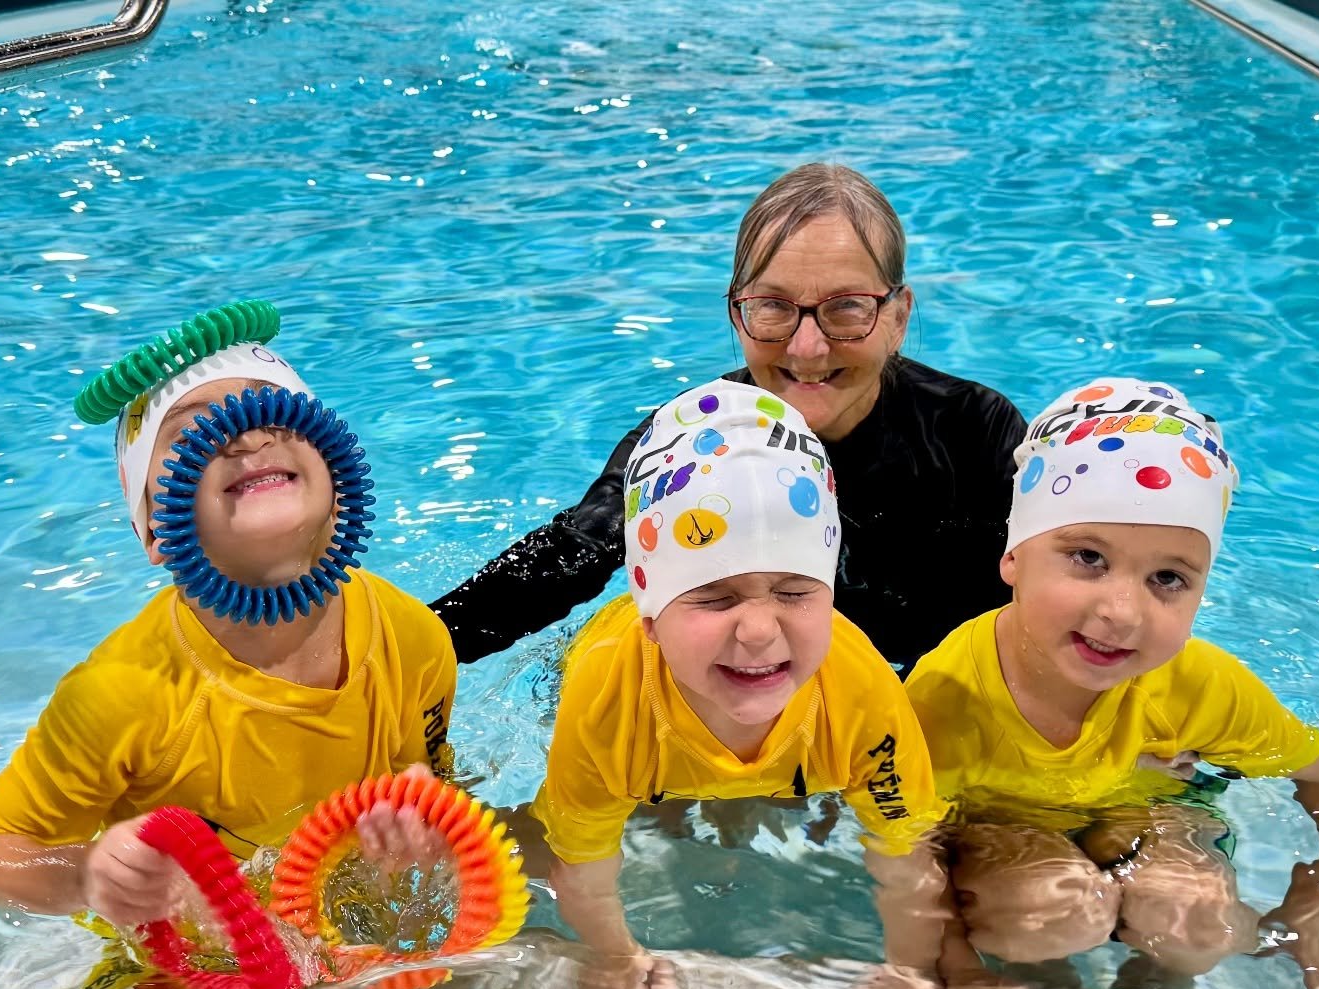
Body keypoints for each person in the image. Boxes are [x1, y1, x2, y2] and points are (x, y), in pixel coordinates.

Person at [0, 304, 457, 989]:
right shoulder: (123, 694)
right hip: (181, 973)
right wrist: (87, 872)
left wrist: (430, 826)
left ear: (341, 477)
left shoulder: (414, 638)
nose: (246, 436)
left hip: (339, 948)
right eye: (191, 434)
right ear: (153, 529)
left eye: (275, 415)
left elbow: (443, 780)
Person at [905, 377, 1319, 989]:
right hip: (1003, 825)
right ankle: (1051, 974)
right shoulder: (947, 693)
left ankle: (1163, 988)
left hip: (1154, 809)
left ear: (1202, 592)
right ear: (1012, 554)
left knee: (1200, 927)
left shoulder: (1200, 685)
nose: (1120, 612)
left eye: (1168, 578)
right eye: (1087, 558)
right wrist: (962, 974)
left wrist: (1317, 903)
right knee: (1045, 915)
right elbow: (907, 841)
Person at [432, 162, 1026, 673]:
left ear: (899, 317)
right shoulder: (691, 438)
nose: (807, 348)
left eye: (847, 308)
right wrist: (410, 646)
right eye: (773, 307)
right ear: (736, 315)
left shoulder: (974, 431)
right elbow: (569, 557)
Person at [528, 380, 960, 989]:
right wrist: (612, 964)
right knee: (643, 813)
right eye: (714, 595)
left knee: (787, 799)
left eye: (795, 592)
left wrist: (909, 975)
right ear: (650, 614)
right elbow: (581, 861)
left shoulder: (861, 691)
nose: (759, 632)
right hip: (634, 705)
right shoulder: (605, 700)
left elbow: (906, 853)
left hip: (790, 739)